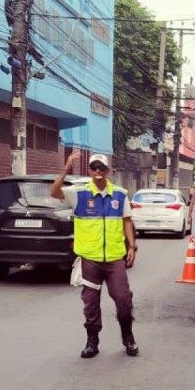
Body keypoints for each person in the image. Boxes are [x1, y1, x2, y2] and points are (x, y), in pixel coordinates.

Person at [50, 150, 139, 359]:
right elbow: (54, 192)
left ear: (108, 171)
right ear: (90, 171)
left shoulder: (119, 194)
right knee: (90, 303)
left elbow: (127, 221)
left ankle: (128, 336)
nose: (98, 171)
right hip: (90, 259)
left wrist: (132, 247)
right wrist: (67, 167)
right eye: (94, 168)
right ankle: (92, 342)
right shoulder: (79, 193)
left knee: (123, 300)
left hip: (115, 258)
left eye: (102, 168)